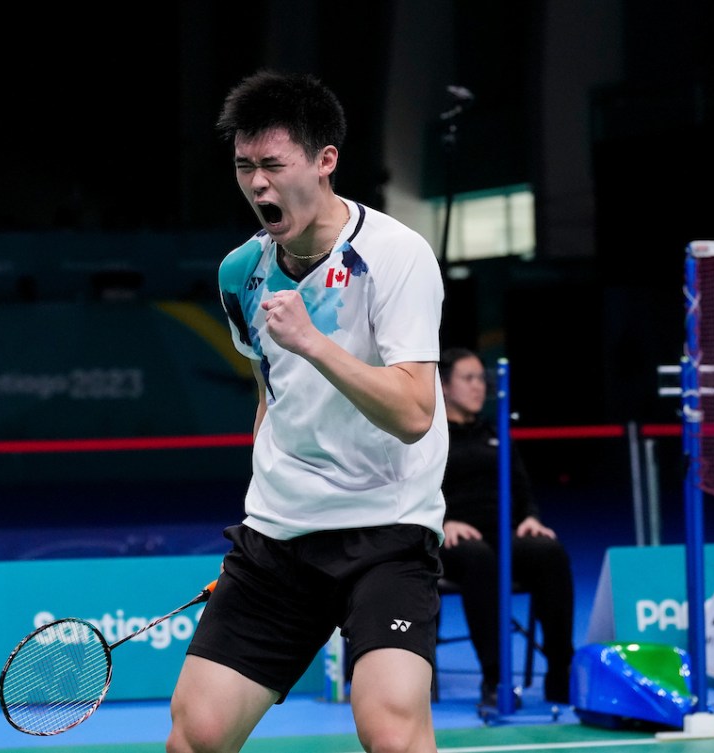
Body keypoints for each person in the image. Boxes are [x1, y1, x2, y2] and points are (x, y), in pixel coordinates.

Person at [165, 70, 447, 753]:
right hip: (279, 537)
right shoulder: (241, 273)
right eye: (243, 166)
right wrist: (258, 517)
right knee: (194, 735)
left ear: (324, 161)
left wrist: (314, 343)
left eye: (271, 164)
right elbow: (272, 391)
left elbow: (412, 410)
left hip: (386, 526)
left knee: (390, 732)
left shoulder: (396, 256)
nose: (257, 183)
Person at [438, 347, 575, 707]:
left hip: (504, 531)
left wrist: (530, 517)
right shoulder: (429, 434)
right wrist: (443, 522)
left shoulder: (494, 433)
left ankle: (561, 671)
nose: (478, 386)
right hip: (450, 537)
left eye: (482, 379)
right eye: (468, 379)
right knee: (480, 560)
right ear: (445, 386)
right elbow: (412, 487)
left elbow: (522, 486)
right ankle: (495, 680)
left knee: (549, 552)